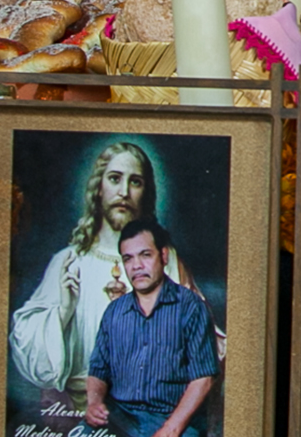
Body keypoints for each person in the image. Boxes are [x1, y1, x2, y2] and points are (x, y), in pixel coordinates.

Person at [11, 142, 198, 417]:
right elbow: (29, 351)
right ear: (99, 188)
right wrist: (62, 313)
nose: (124, 192)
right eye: (115, 179)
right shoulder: (68, 262)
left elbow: (200, 341)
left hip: (149, 414)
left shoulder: (165, 263)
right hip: (77, 413)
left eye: (135, 182)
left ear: (145, 193)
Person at [80, 215, 219, 437]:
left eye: (145, 255)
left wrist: (169, 431)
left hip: (173, 418)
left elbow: (204, 379)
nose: (136, 266)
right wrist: (94, 402)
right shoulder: (114, 313)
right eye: (128, 259)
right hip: (120, 417)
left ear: (163, 257)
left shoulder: (191, 308)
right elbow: (98, 371)